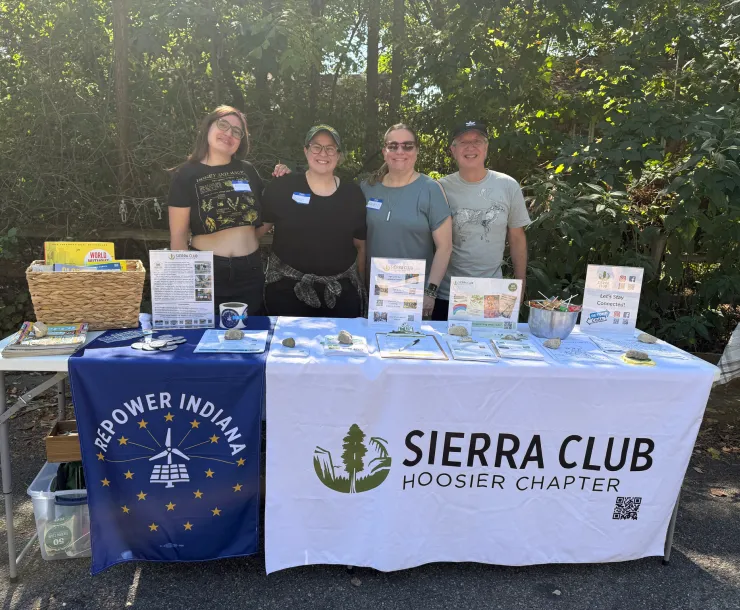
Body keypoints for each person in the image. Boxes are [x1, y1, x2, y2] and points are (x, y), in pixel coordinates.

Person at [168, 105, 267, 319]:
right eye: (223, 125)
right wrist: (183, 281)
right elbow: (178, 235)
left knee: (250, 337)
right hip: (204, 269)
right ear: (208, 127)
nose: (229, 134)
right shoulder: (186, 174)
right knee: (203, 336)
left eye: (236, 131)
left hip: (250, 270)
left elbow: (266, 217)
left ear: (241, 140)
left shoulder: (248, 171)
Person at [259, 125, 367, 318]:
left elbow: (360, 246)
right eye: (316, 146)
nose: (323, 153)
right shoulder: (283, 186)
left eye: (330, 148)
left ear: (338, 154)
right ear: (306, 150)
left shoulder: (354, 194)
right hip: (286, 293)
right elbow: (257, 231)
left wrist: (362, 287)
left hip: (340, 295)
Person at [432, 120, 531, 321]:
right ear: (453, 149)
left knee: (490, 351)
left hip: (493, 294)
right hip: (447, 294)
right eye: (463, 142)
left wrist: (520, 286)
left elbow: (517, 239)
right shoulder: (439, 188)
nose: (471, 147)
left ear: (486, 147)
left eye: (477, 141)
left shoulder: (508, 186)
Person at [361, 124, 453, 319]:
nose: (400, 151)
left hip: (416, 296)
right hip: (375, 294)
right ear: (384, 151)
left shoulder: (431, 189)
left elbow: (445, 247)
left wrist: (430, 292)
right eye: (393, 146)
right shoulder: (368, 188)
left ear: (417, 150)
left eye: (407, 146)